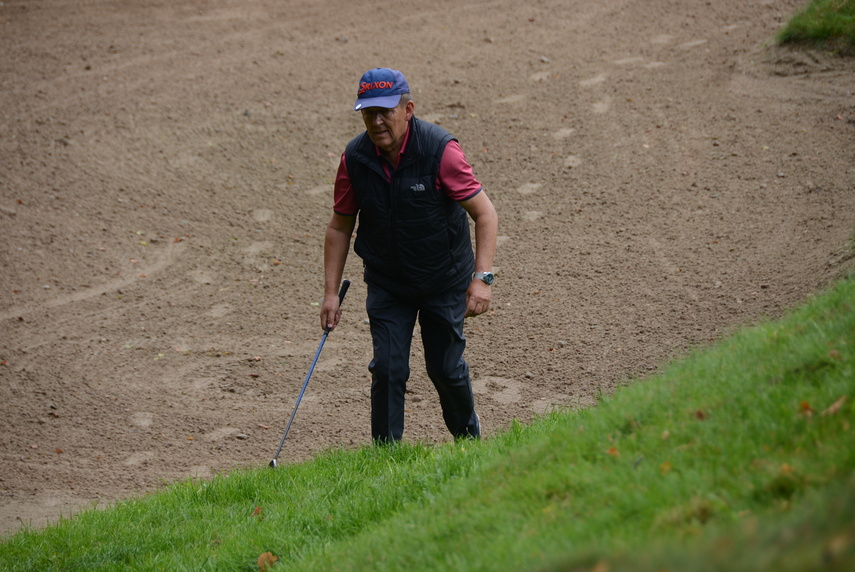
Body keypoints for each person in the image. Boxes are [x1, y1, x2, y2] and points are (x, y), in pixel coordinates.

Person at [321, 68, 498, 443]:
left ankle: (469, 441)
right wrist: (330, 293)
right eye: (369, 113)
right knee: (387, 369)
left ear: (408, 109)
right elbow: (339, 227)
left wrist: (482, 279)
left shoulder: (440, 151)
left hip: (443, 279)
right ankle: (386, 455)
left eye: (385, 112)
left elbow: (485, 214)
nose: (377, 122)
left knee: (445, 369)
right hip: (389, 283)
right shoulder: (355, 158)